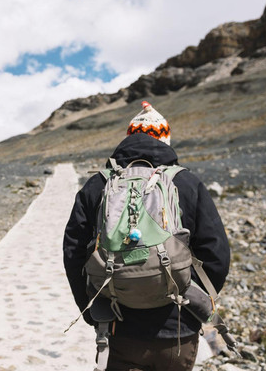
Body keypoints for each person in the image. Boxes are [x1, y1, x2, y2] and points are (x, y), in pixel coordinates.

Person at [63, 101, 231, 371]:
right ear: (166, 141)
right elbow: (216, 255)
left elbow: (73, 254)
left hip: (117, 326)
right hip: (177, 329)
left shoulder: (97, 185)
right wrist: (191, 299)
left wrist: (95, 312)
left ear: (128, 139)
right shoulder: (187, 183)